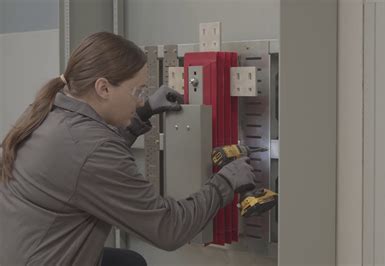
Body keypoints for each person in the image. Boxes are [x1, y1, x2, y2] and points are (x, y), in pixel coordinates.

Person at [0, 32, 256, 266]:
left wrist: (141, 115)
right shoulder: (91, 148)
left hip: (24, 253)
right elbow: (168, 229)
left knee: (129, 263)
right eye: (137, 91)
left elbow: (83, 169)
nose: (142, 98)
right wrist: (225, 182)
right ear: (103, 88)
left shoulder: (49, 111)